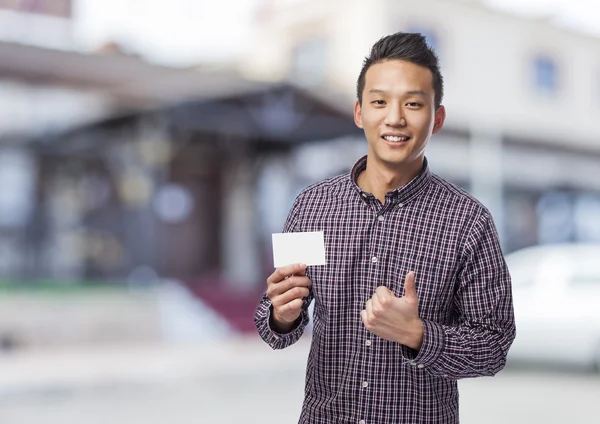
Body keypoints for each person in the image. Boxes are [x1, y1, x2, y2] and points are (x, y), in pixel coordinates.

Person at [254, 31, 516, 424]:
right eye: (379, 102)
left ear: (437, 118)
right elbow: (276, 327)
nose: (395, 118)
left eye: (413, 103)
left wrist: (419, 335)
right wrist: (282, 314)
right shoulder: (311, 206)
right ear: (359, 112)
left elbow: (494, 347)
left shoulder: (468, 221)